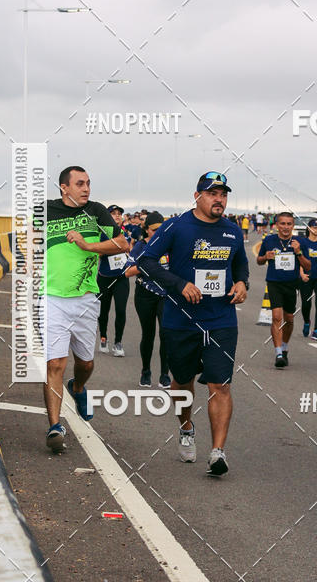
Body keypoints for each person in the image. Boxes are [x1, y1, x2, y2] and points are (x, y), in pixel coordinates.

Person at [135, 172, 249, 476]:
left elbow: (240, 264)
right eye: (213, 193)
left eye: (223, 194)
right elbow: (146, 261)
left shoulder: (232, 230)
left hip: (221, 319)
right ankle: (186, 427)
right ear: (197, 196)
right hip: (181, 320)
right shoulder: (176, 226)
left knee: (220, 385)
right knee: (182, 384)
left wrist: (241, 283)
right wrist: (179, 283)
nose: (219, 199)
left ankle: (217, 452)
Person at [43, 167, 129, 451]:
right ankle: (55, 426)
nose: (86, 188)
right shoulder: (44, 211)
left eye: (89, 183)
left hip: (86, 299)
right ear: (64, 187)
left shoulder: (96, 212)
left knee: (86, 364)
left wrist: (87, 244)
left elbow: (122, 244)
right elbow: (23, 242)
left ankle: (78, 388)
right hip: (52, 297)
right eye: (80, 184)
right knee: (55, 363)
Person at [257, 212, 311, 367]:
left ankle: (285, 347)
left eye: (289, 224)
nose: (286, 227)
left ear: (293, 226)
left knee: (289, 319)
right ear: (276, 225)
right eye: (282, 223)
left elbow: (308, 266)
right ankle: (278, 353)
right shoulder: (269, 240)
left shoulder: (300, 242)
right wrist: (265, 256)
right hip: (274, 283)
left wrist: (299, 252)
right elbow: (259, 261)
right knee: (276, 317)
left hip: (292, 284)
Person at [125, 211, 171, 389]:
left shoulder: (170, 245)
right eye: (154, 230)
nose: (157, 233)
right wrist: (146, 265)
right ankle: (145, 371)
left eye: (161, 229)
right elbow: (127, 271)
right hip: (145, 294)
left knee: (166, 334)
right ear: (146, 230)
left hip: (166, 295)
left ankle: (164, 375)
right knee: (148, 334)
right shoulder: (140, 247)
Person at [97, 205, 130, 357]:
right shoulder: (102, 232)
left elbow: (129, 249)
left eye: (119, 214)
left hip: (121, 278)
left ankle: (118, 342)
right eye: (113, 214)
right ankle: (103, 337)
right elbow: (99, 251)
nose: (117, 216)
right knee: (103, 311)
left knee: (121, 310)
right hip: (104, 277)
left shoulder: (126, 234)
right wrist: (114, 248)